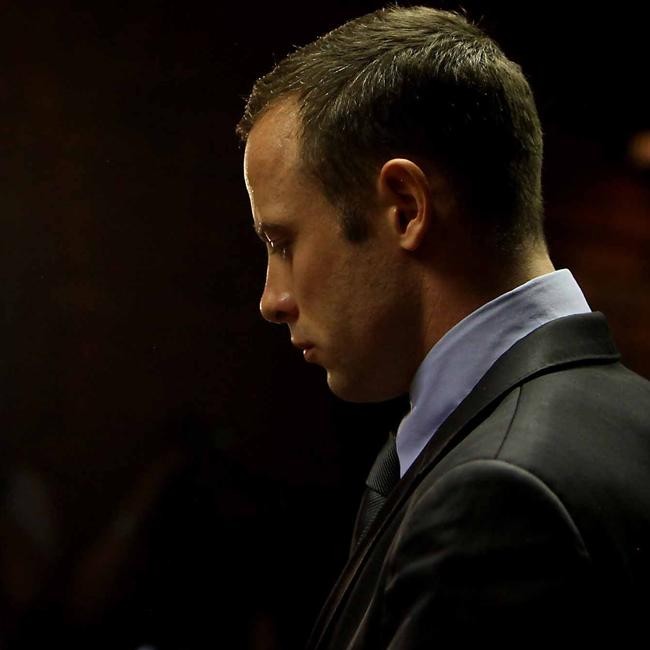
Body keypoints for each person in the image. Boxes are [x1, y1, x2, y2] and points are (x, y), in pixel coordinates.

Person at [237, 6, 650, 648]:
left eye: (283, 241)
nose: (273, 299)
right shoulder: (633, 417)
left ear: (406, 208)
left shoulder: (495, 496)